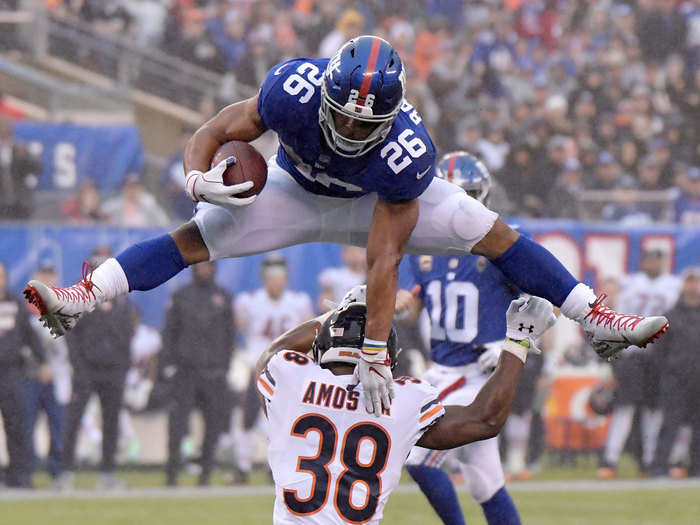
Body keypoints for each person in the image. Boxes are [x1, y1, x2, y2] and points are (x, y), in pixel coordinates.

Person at [26, 35, 668, 417]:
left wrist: (372, 354)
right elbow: (217, 130)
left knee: (483, 224)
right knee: (200, 233)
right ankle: (87, 295)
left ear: (393, 117)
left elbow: (383, 261)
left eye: (369, 123)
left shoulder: (405, 152)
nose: (354, 129)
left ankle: (594, 317)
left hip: (373, 202)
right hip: (295, 190)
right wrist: (197, 178)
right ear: (326, 92)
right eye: (347, 116)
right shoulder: (292, 89)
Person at [254, 290, 556, 524]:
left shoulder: (291, 379)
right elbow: (486, 420)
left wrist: (338, 312)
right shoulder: (401, 400)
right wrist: (519, 340)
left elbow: (273, 352)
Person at [394, 152, 522, 525]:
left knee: (417, 455)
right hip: (443, 368)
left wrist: (511, 344)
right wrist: (401, 303)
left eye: (465, 195)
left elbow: (548, 306)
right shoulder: (425, 247)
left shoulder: (502, 242)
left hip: (480, 371)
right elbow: (417, 305)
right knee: (486, 484)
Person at [597, 247, 681, 479]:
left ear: (663, 261)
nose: (652, 263)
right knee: (625, 407)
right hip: (631, 353)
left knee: (653, 410)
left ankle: (651, 461)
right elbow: (607, 294)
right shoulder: (630, 281)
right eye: (649, 259)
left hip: (658, 354)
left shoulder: (673, 284)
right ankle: (610, 459)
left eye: (656, 259)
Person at [58, 250, 137, 490]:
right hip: (87, 371)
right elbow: (71, 339)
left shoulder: (122, 302)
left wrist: (122, 368)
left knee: (111, 422)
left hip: (113, 371)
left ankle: (107, 473)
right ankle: (65, 472)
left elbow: (127, 337)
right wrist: (79, 368)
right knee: (74, 420)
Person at [233, 253, 313, 482]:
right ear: (263, 278)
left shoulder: (298, 301)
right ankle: (242, 466)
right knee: (248, 418)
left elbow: (309, 334)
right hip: (256, 367)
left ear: (286, 279)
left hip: (287, 371)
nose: (275, 281)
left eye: (279, 277)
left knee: (285, 420)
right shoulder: (249, 301)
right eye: (271, 276)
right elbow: (238, 327)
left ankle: (277, 467)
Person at [162, 261, 234, 487]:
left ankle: (205, 473)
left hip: (213, 371)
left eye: (208, 266)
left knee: (212, 424)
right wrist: (170, 363)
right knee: (177, 423)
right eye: (201, 265)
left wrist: (224, 365)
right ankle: (172, 473)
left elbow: (229, 335)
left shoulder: (223, 296)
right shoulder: (181, 295)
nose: (205, 270)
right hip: (186, 370)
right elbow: (170, 331)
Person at [0, 261, 48, 488]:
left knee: (17, 425)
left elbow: (31, 337)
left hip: (10, 372)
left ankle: (19, 475)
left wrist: (43, 362)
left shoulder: (17, 305)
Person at [650, 268, 700, 478]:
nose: (693, 286)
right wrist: (669, 371)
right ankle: (659, 467)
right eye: (689, 282)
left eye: (696, 282)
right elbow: (658, 350)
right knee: (670, 424)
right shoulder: (670, 316)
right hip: (676, 380)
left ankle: (696, 469)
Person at [25, 263, 71, 486]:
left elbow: (67, 345)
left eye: (50, 276)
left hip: (58, 377)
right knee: (27, 425)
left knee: (58, 425)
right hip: (31, 376)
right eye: (42, 276)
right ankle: (26, 471)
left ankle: (57, 471)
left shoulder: (66, 307)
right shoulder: (24, 309)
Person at [317, 246, 367, 312]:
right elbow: (324, 305)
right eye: (351, 251)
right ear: (343, 254)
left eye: (358, 251)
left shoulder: (371, 278)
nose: (355, 255)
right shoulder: (333, 275)